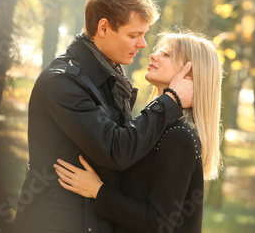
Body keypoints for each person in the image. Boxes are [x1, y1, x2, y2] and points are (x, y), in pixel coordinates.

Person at [13, 0, 193, 233]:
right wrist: (170, 100)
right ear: (104, 27)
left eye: (143, 34)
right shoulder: (64, 82)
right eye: (133, 35)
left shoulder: (110, 80)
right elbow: (115, 151)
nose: (142, 44)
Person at [54, 30, 223, 233]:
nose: (153, 55)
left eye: (167, 54)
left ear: (189, 75)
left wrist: (98, 191)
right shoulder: (158, 126)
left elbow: (159, 222)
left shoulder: (178, 135)